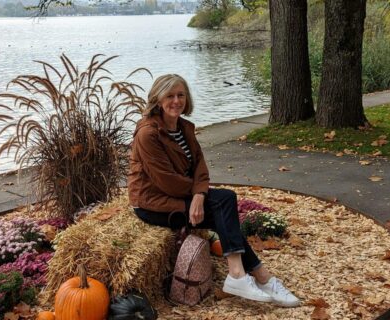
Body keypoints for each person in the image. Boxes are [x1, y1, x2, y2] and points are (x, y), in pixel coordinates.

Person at [127, 74, 300, 307]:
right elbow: (166, 181)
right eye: (170, 95)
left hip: (182, 195)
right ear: (157, 100)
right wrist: (199, 194)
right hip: (154, 203)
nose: (176, 100)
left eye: (181, 95)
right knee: (224, 201)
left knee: (224, 212)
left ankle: (252, 275)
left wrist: (199, 195)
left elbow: (199, 164)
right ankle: (255, 276)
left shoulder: (183, 127)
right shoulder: (148, 134)